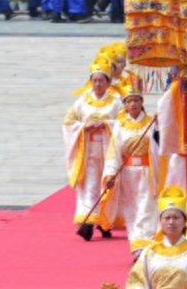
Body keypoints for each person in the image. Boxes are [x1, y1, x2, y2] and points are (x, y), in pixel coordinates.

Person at [62, 57, 123, 240]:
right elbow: (68, 121)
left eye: (101, 80)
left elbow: (123, 122)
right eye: (94, 80)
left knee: (107, 184)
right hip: (88, 149)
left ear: (108, 82)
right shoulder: (83, 101)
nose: (97, 84)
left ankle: (105, 222)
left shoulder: (116, 101)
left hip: (108, 149)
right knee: (88, 185)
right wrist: (84, 127)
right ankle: (88, 223)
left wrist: (106, 124)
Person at [101, 79, 160, 257]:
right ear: (124, 105)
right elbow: (114, 150)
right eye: (128, 101)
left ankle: (145, 247)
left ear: (142, 102)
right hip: (128, 175)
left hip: (148, 173)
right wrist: (111, 173)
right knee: (132, 211)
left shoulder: (153, 123)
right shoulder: (120, 125)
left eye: (135, 100)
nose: (132, 104)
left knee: (147, 209)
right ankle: (136, 247)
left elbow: (160, 147)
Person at [126, 187, 187, 289]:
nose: (171, 222)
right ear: (160, 222)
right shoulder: (150, 252)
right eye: (167, 218)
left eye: (176, 218)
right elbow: (136, 282)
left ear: (184, 222)